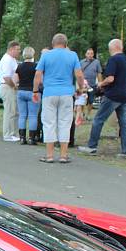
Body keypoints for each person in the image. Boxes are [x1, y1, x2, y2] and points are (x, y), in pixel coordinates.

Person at [78, 39, 126, 160]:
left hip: (113, 95)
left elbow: (110, 78)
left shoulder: (114, 59)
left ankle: (92, 146)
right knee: (124, 123)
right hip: (125, 95)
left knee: (98, 119)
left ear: (113, 47)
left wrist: (100, 84)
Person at [33, 33, 84, 164]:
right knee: (65, 123)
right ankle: (63, 155)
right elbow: (79, 75)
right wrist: (81, 88)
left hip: (49, 93)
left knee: (49, 123)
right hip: (67, 93)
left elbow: (38, 74)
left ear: (52, 43)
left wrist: (35, 90)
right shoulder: (72, 55)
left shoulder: (46, 55)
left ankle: (49, 155)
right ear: (66, 44)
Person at [15, 46, 39, 145]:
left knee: (22, 115)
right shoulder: (36, 66)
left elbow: (15, 80)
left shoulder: (19, 66)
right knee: (33, 115)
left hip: (21, 91)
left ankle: (22, 138)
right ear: (33, 54)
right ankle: (31, 138)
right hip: (32, 92)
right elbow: (38, 79)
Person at [0, 40, 21, 141]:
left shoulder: (12, 59)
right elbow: (7, 77)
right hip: (8, 87)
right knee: (9, 111)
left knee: (14, 111)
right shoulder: (7, 60)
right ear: (11, 49)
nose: (19, 51)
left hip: (11, 86)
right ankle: (8, 134)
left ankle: (14, 133)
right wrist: (14, 85)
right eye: (17, 49)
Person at [80, 47, 102, 116]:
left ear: (93, 54)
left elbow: (99, 73)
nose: (90, 55)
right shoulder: (81, 62)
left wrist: (100, 82)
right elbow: (78, 73)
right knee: (82, 100)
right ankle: (82, 112)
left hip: (92, 85)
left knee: (91, 100)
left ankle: (88, 114)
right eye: (88, 53)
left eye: (91, 53)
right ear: (85, 54)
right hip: (83, 85)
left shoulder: (96, 62)